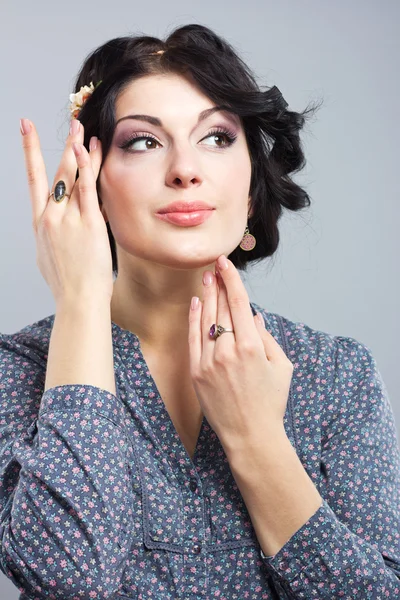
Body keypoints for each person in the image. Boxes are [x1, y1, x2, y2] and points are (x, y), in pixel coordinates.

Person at [0, 23, 399, 600]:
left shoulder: (337, 376)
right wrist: (80, 301)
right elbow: (71, 575)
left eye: (216, 137)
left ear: (252, 188)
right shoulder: (17, 369)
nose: (185, 169)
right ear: (92, 181)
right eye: (143, 141)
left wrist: (257, 440)